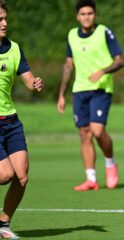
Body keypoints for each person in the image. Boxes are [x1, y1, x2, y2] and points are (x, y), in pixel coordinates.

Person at [57, 0, 124, 191]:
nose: (87, 17)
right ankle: (91, 179)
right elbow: (68, 65)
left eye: (90, 13)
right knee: (84, 133)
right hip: (79, 90)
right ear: (77, 16)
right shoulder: (72, 35)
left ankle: (110, 164)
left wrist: (102, 72)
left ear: (94, 15)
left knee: (97, 131)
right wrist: (61, 94)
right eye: (83, 14)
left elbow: (120, 60)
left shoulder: (104, 32)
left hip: (101, 89)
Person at [0, 0, 45, 238]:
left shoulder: (14, 48)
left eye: (5, 18)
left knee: (21, 176)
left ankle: (2, 224)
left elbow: (28, 80)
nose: (5, 23)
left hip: (10, 122)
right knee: (4, 174)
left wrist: (34, 83)